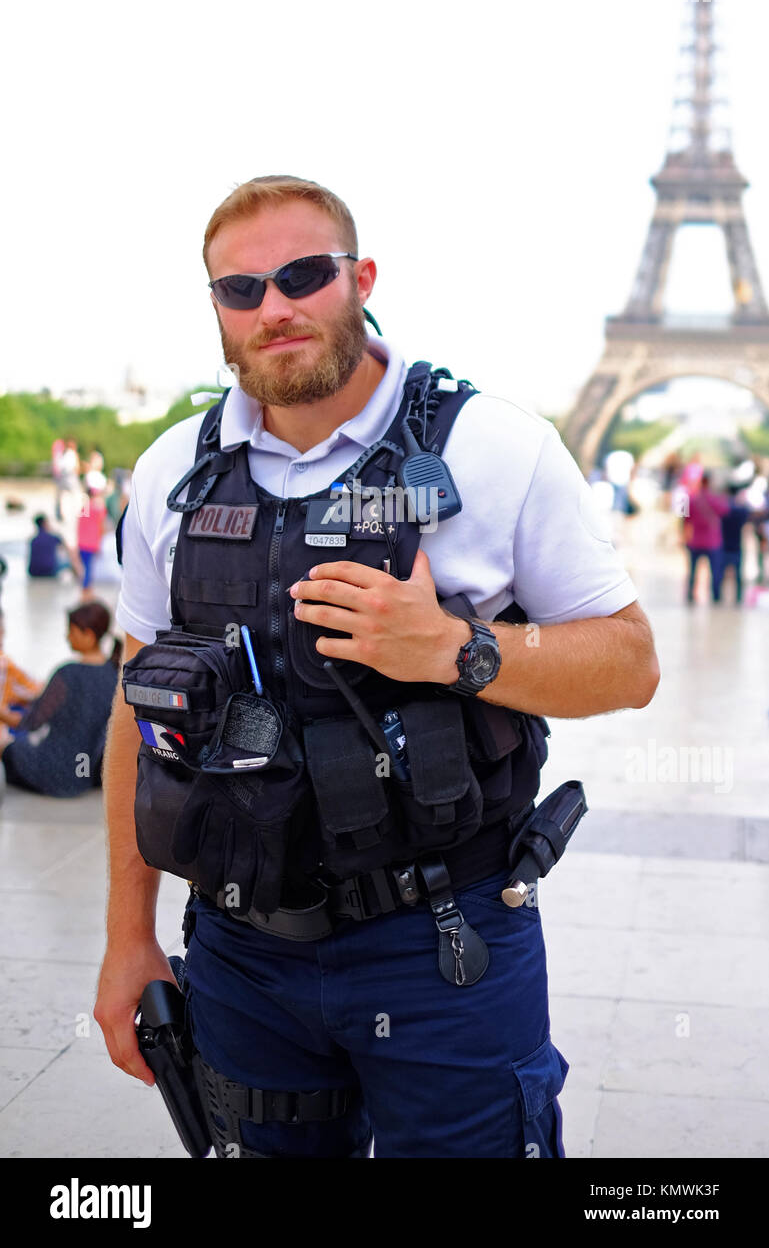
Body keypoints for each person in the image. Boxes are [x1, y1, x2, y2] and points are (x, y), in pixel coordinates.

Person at [94, 174, 659, 1160]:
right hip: (238, 948)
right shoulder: (171, 472)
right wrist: (127, 935)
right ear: (218, 311)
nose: (275, 308)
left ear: (360, 278)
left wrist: (456, 650)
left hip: (442, 946)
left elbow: (630, 662)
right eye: (242, 289)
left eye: (304, 275)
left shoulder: (491, 447)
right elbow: (134, 711)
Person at [0, 602, 121, 796]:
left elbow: (30, 723)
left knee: (8, 747)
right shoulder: (115, 675)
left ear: (88, 635)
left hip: (54, 771)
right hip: (87, 774)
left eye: (71, 631)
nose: (67, 637)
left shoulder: (67, 673)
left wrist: (2, 714)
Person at [682, 471, 729, 604]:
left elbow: (684, 519)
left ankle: (690, 596)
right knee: (715, 572)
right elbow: (726, 512)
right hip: (712, 541)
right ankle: (716, 597)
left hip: (695, 541)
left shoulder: (690, 498)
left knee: (692, 572)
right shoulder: (716, 499)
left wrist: (683, 537)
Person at [28, 513, 70, 578]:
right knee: (69, 562)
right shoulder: (54, 537)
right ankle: (81, 582)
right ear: (45, 523)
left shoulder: (33, 540)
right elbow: (67, 549)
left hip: (33, 572)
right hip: (49, 571)